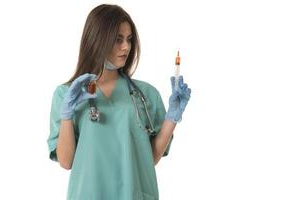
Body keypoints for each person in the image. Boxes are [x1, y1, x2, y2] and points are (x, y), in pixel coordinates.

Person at [47, 4, 191, 200]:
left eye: (129, 39)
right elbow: (66, 161)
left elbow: (150, 159)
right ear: (97, 40)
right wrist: (66, 116)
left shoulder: (145, 94)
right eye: (118, 40)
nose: (126, 47)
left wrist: (172, 118)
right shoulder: (67, 95)